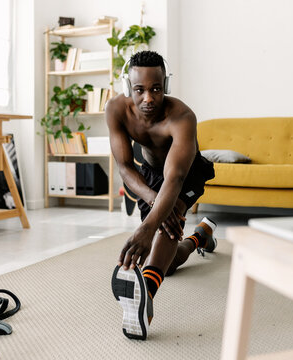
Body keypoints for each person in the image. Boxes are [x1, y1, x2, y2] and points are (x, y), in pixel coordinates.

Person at [107, 51, 216, 341]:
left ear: (165, 85)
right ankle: (200, 237)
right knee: (169, 263)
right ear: (127, 87)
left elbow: (176, 177)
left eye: (156, 89)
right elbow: (125, 166)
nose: (148, 99)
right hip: (150, 179)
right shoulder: (116, 110)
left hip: (186, 173)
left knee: (171, 215)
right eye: (139, 90)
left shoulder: (182, 117)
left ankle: (146, 298)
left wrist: (150, 225)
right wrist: (155, 208)